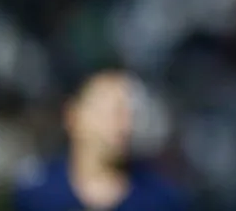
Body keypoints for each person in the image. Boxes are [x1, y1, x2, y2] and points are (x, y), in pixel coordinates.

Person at [11, 68, 189, 211]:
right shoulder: (37, 192)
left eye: (130, 114)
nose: (124, 124)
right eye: (113, 112)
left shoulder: (159, 199)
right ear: (73, 116)